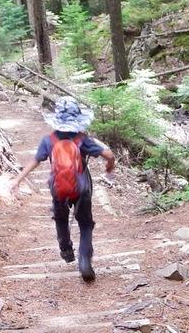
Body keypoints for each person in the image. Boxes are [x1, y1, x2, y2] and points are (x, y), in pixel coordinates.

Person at [10, 97, 115, 282]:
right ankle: (84, 260)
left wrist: (18, 180)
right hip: (82, 187)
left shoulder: (49, 140)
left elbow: (36, 160)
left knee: (60, 218)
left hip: (58, 187)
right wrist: (109, 167)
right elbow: (109, 155)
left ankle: (66, 249)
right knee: (85, 224)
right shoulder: (82, 139)